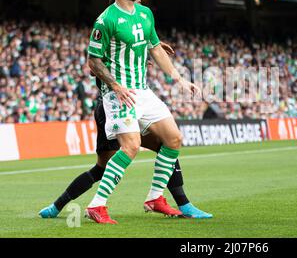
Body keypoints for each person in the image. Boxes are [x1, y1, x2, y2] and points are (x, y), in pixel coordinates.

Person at [38, 44, 212, 219]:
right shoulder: (106, 39)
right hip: (111, 107)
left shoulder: (131, 40)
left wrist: (146, 51)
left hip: (132, 102)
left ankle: (182, 204)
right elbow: (94, 67)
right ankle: (57, 206)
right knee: (102, 168)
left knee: (167, 144)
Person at [84, 0, 201, 224]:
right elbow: (93, 61)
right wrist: (115, 86)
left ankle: (155, 197)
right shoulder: (106, 20)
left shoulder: (146, 14)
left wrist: (179, 79)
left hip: (143, 92)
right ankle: (97, 205)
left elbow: (156, 49)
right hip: (119, 94)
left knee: (173, 139)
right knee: (131, 146)